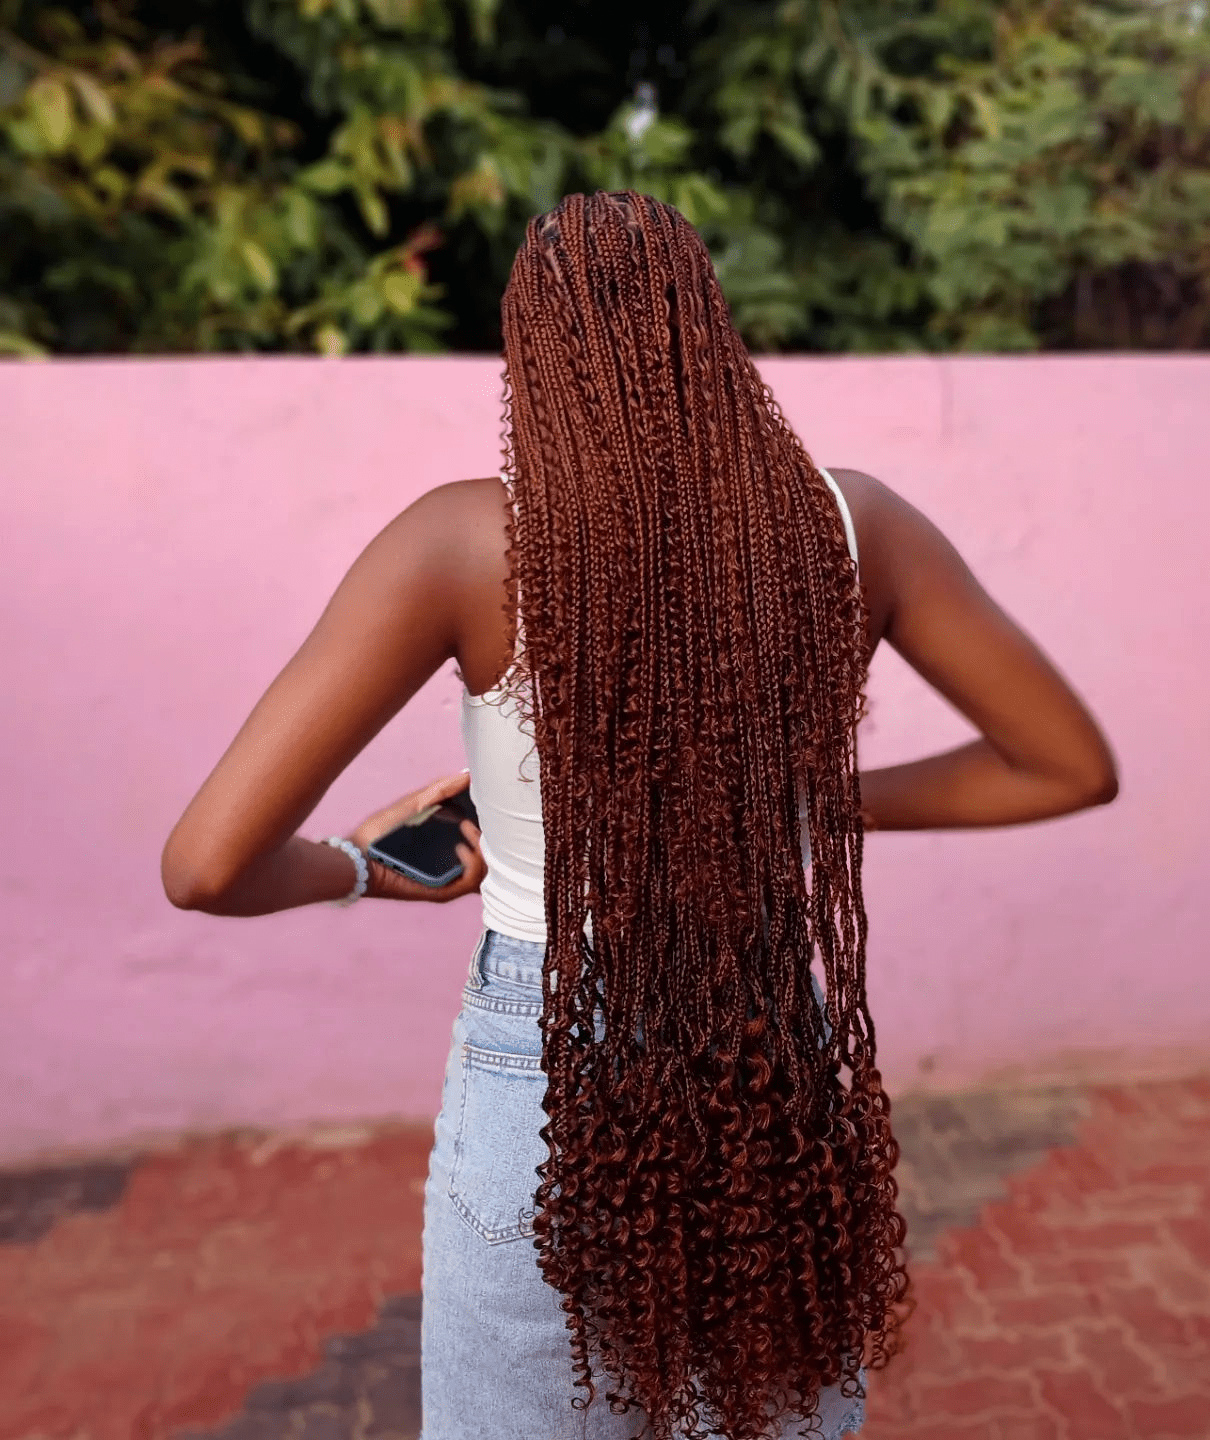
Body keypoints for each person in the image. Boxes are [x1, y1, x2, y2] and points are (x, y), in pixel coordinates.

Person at [162, 190, 1118, 1440]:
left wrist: (353, 867)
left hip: (549, 1053)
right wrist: (792, 810)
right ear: (706, 326)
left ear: (528, 357)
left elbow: (207, 864)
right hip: (770, 1043)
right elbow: (1062, 765)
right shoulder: (851, 526)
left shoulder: (465, 543)